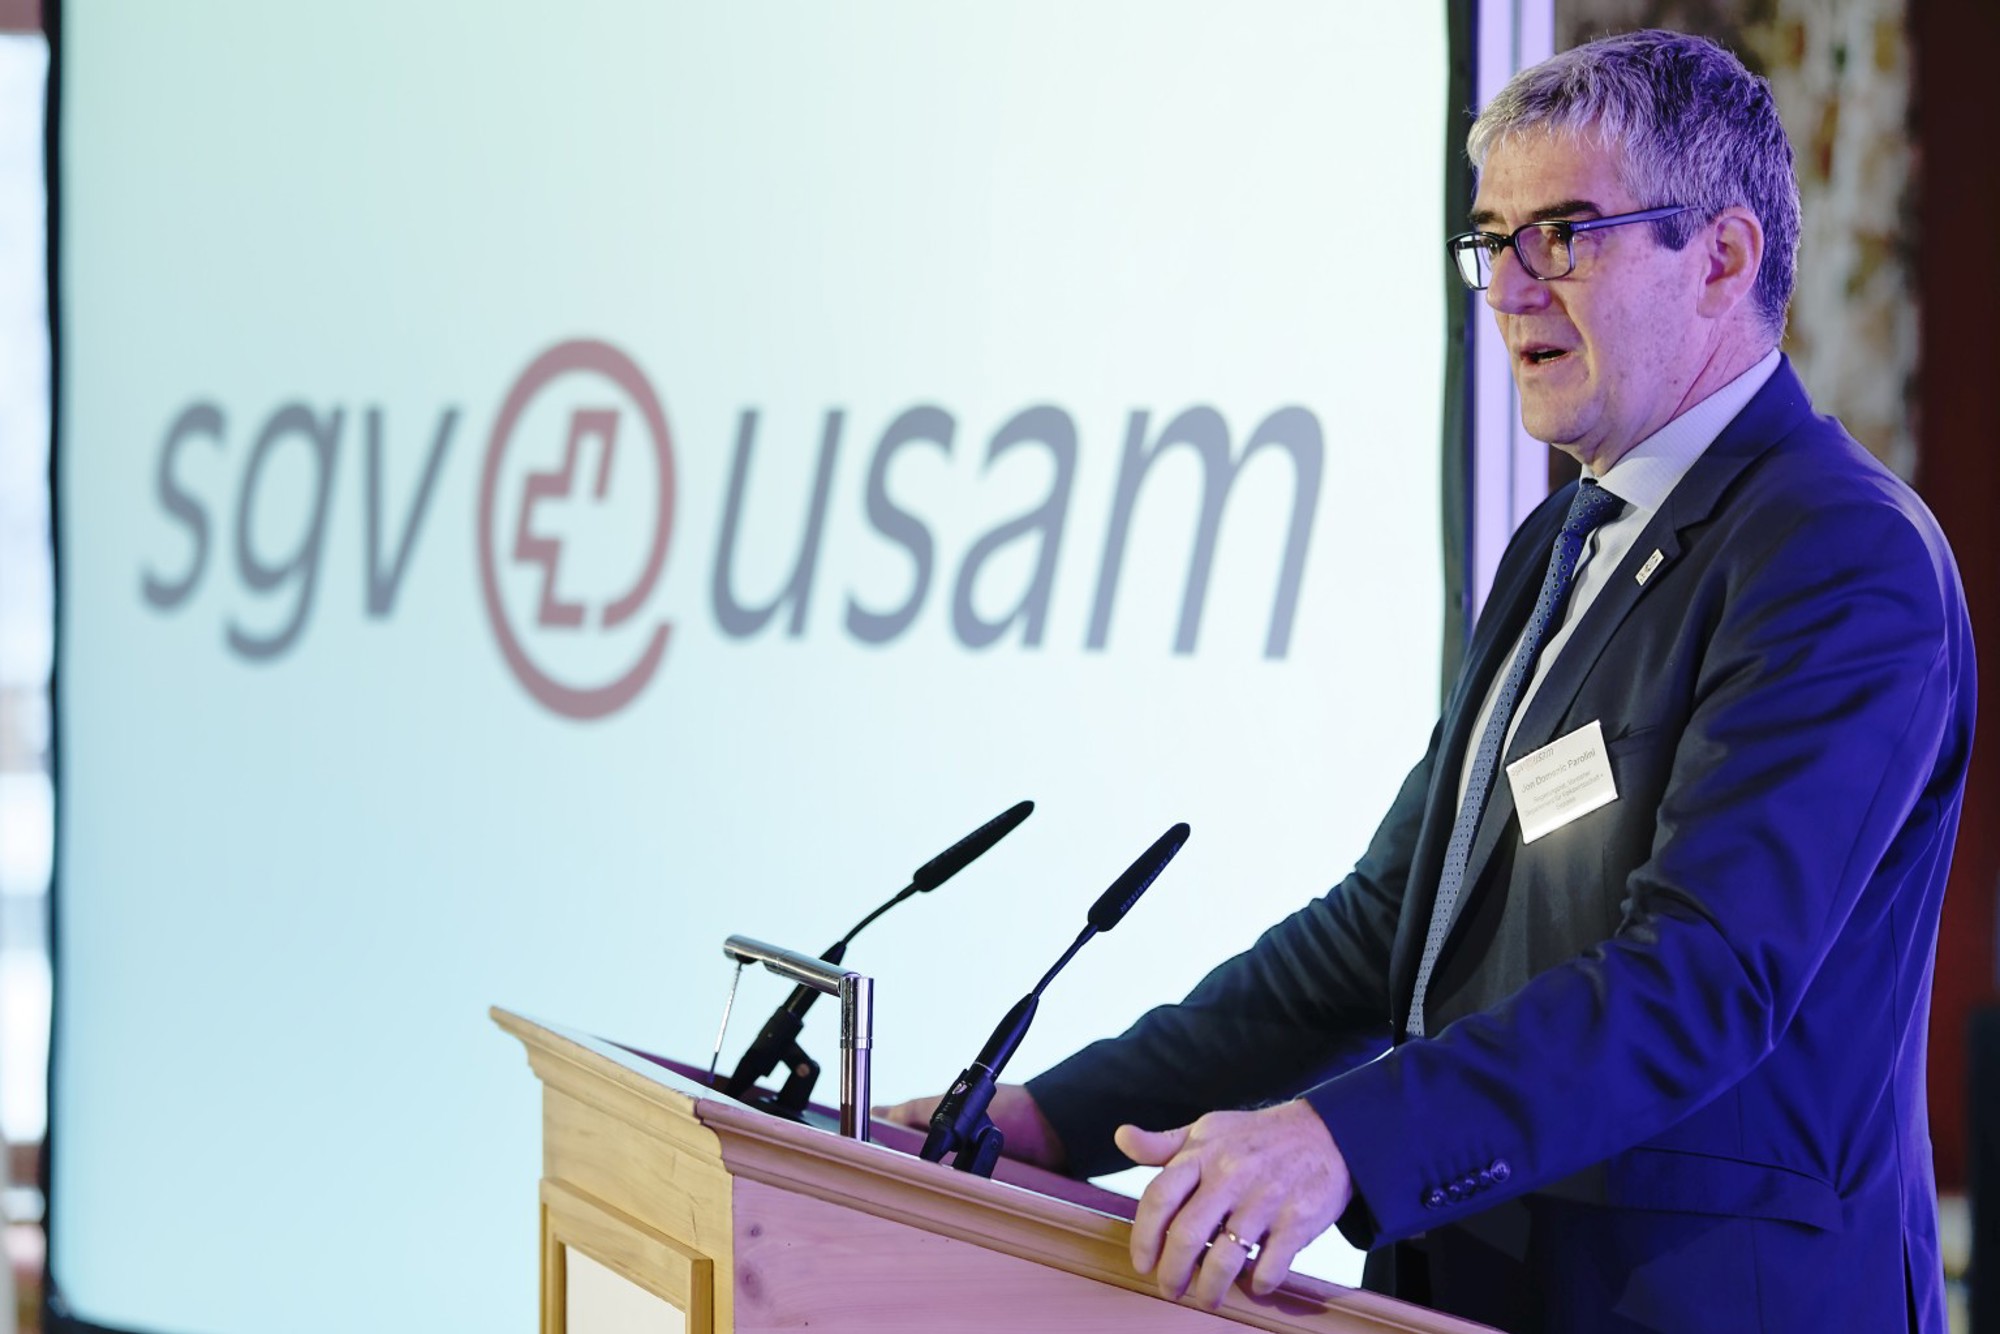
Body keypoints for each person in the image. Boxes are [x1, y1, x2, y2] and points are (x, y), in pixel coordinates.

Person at [881, 28, 1973, 1334]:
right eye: (1490, 240)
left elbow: (1702, 976)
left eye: (1560, 236)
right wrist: (1044, 1119)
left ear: (1723, 258)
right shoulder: (1561, 541)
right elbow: (1388, 927)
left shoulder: (1838, 553)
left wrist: (1344, 1139)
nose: (1507, 290)